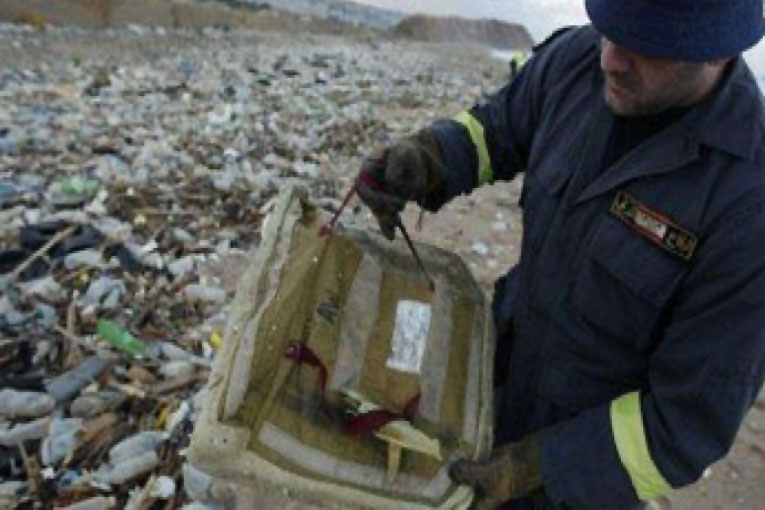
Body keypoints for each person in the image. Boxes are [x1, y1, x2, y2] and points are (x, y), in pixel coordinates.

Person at [355, 0, 765, 509]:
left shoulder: (749, 205)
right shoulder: (577, 59)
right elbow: (495, 130)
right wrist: (432, 159)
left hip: (578, 477)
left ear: (716, 55)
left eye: (643, 47)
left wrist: (537, 468)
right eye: (609, 29)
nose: (609, 59)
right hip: (491, 387)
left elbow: (686, 424)